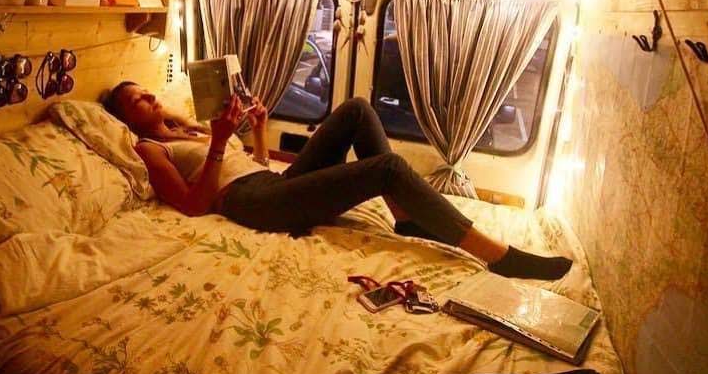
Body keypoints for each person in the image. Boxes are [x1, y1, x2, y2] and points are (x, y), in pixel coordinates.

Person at [104, 82, 571, 280]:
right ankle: (497, 255)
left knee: (357, 109)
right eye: (137, 101)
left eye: (147, 92)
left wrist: (258, 129)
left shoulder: (189, 129)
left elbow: (256, 164)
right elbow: (192, 206)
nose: (150, 98)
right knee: (388, 169)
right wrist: (221, 142)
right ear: (127, 120)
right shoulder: (151, 148)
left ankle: (407, 217)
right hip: (249, 204)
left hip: (268, 182)